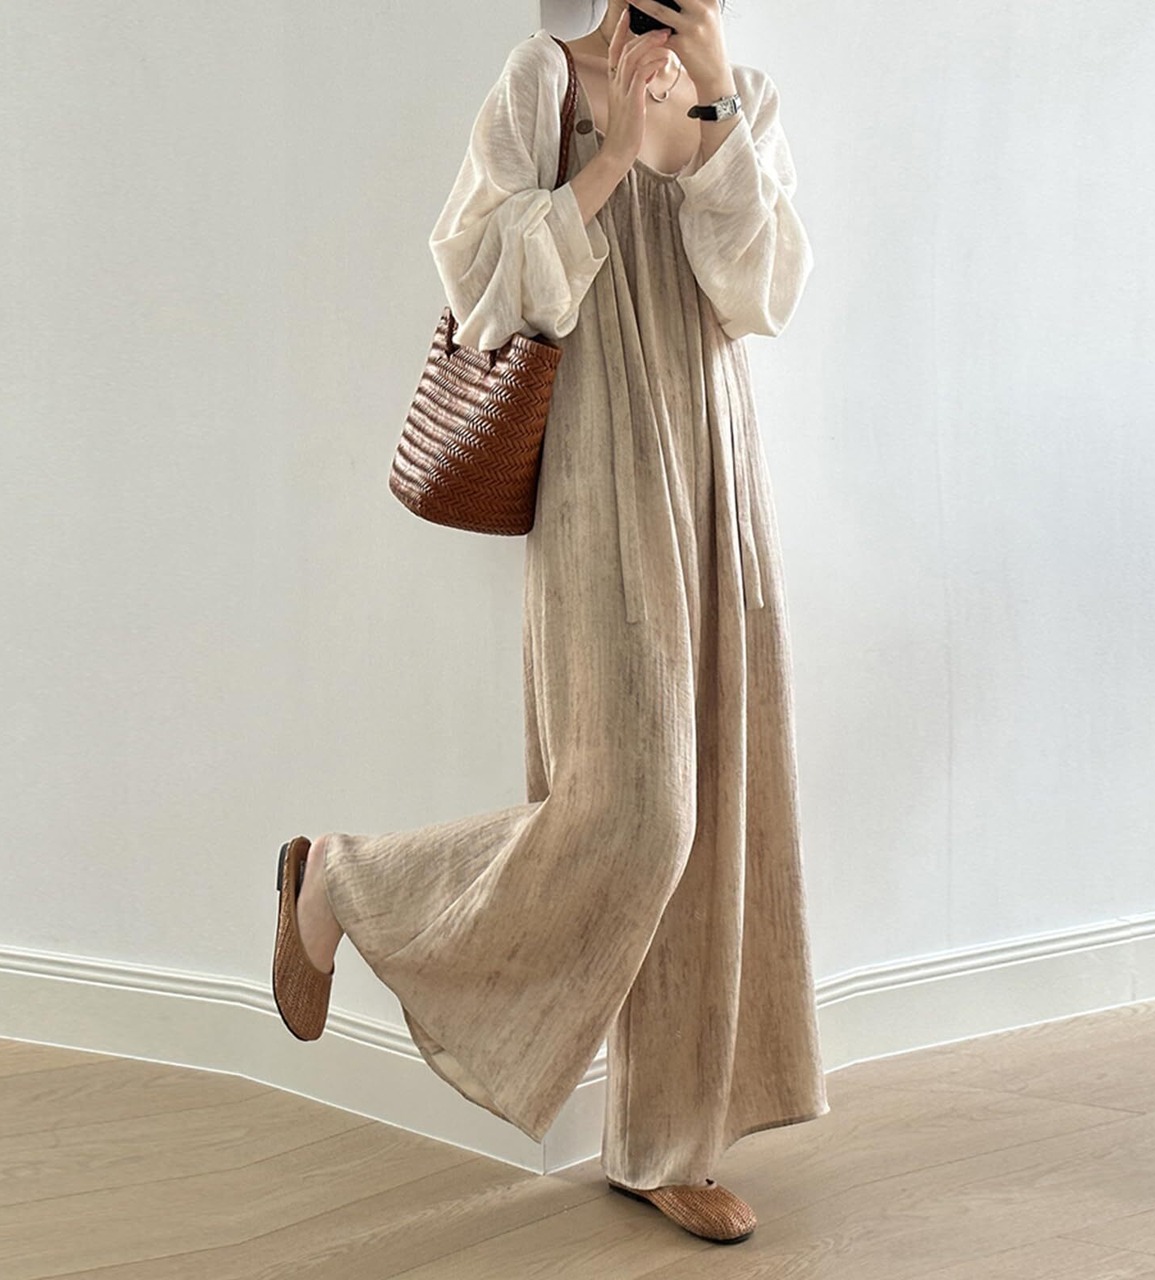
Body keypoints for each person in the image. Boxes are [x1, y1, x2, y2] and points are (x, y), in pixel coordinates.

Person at [271, 0, 829, 1246]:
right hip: (598, 465)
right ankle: (343, 880)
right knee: (634, 810)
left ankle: (664, 1142)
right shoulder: (543, 79)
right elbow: (477, 279)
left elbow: (761, 294)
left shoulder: (741, 95)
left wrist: (710, 107)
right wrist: (614, 157)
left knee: (715, 808)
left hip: (716, 462)